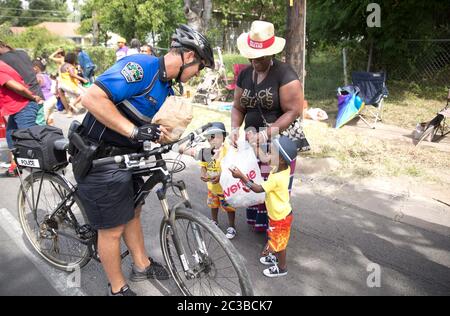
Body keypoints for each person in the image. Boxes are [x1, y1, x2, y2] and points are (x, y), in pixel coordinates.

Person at [79, 24, 214, 296]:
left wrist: (195, 149)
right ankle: (117, 288)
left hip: (127, 157)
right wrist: (133, 131)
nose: (198, 73)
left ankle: (141, 264)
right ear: (188, 57)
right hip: (99, 156)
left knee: (134, 210)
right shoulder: (141, 67)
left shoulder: (168, 89)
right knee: (112, 229)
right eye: (200, 65)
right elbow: (91, 97)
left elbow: (161, 133)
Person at [230, 20, 303, 232]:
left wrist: (267, 134)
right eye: (252, 57)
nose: (255, 61)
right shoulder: (244, 74)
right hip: (253, 142)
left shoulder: (284, 74)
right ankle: (260, 226)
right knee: (254, 180)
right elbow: (237, 107)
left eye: (260, 57)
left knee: (273, 188)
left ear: (271, 53)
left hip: (277, 143)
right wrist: (235, 129)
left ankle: (276, 234)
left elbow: (293, 110)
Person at [230, 135, 297, 277]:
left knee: (280, 243)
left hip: (280, 218)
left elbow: (257, 189)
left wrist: (242, 176)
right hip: (278, 214)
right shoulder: (281, 169)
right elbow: (267, 161)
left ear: (280, 159)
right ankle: (274, 256)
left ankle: (282, 267)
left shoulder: (277, 177)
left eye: (270, 152)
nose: (267, 154)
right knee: (274, 238)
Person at [179, 122, 237, 239]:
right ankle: (214, 221)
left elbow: (231, 167)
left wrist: (220, 176)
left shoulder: (228, 151)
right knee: (213, 204)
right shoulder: (206, 152)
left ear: (223, 137)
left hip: (225, 187)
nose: (212, 140)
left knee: (229, 207)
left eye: (215, 136)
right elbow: (203, 166)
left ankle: (231, 226)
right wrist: (203, 174)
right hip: (212, 187)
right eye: (210, 138)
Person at [0, 60, 41, 177]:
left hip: (24, 106)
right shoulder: (3, 65)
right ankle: (17, 167)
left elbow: (19, 88)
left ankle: (44, 167)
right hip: (17, 108)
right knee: (10, 137)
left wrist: (32, 97)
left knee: (29, 139)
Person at [59, 52, 88, 117]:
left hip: (63, 85)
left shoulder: (62, 66)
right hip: (70, 85)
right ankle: (72, 104)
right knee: (84, 93)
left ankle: (70, 113)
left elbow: (66, 76)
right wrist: (83, 79)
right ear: (73, 59)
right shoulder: (70, 66)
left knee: (74, 97)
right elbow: (72, 75)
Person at [32, 58, 57, 126]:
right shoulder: (46, 76)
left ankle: (43, 135)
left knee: (42, 121)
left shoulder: (38, 77)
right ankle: (53, 134)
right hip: (52, 98)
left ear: (36, 68)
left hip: (46, 100)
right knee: (50, 119)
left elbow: (35, 88)